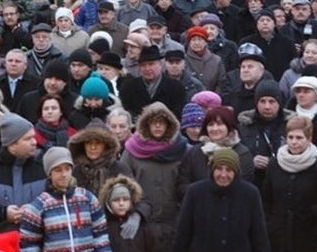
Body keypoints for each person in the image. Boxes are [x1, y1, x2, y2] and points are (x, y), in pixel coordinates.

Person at [119, 102, 188, 252]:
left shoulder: (182, 148)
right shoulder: (132, 150)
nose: (158, 126)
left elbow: (188, 182)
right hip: (141, 221)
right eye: (153, 122)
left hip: (175, 221)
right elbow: (123, 184)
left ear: (169, 125)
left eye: (162, 122)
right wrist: (134, 213)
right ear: (146, 124)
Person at [173, 147, 270, 251]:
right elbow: (183, 232)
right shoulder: (195, 191)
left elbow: (259, 235)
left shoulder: (250, 193)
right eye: (219, 169)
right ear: (212, 170)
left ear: (236, 172)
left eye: (229, 170)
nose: (223, 175)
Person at [19, 147, 110, 250]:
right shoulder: (38, 206)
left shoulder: (87, 198)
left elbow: (101, 236)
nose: (64, 174)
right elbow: (29, 244)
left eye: (67, 168)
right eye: (58, 170)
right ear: (49, 174)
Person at [262, 116, 317, 251]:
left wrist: (313, 216)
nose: (294, 142)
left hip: (309, 234)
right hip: (278, 235)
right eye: (290, 137)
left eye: (299, 138)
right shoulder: (275, 164)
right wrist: (271, 224)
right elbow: (266, 198)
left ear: (309, 139)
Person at [176, 105, 255, 198]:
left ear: (229, 126)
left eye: (220, 124)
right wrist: (197, 197)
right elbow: (183, 181)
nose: (215, 129)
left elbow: (244, 185)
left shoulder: (242, 153)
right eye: (211, 124)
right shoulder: (195, 152)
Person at [119, 45, 186, 120]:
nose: (147, 69)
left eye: (151, 64)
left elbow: (178, 114)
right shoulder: (128, 87)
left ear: (160, 64)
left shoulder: (176, 87)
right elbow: (126, 111)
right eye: (143, 65)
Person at [98, 175, 154, 252]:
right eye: (116, 200)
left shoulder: (142, 226)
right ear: (108, 203)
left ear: (131, 201)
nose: (121, 203)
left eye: (125, 199)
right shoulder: (103, 227)